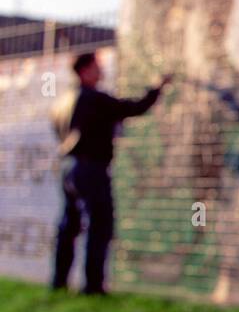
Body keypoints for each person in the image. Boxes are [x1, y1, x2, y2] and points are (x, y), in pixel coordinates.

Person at [50, 52, 172, 295]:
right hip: (90, 168)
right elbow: (133, 107)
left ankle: (59, 282)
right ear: (84, 70)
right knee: (99, 224)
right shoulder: (92, 98)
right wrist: (157, 88)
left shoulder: (63, 100)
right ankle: (93, 287)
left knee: (69, 225)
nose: (102, 71)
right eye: (97, 67)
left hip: (66, 167)